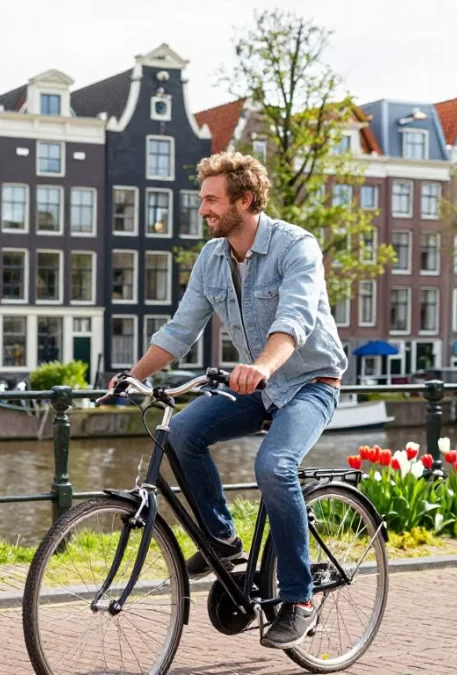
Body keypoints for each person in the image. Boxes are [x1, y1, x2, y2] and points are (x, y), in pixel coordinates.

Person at [111, 152, 346, 649]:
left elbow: (294, 320)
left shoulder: (296, 246)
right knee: (183, 433)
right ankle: (222, 540)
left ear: (245, 200)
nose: (203, 210)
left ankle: (299, 599)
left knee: (274, 466)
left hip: (310, 382)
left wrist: (262, 366)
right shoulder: (212, 258)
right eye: (202, 200)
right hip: (256, 385)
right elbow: (180, 330)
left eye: (212, 200)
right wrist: (131, 377)